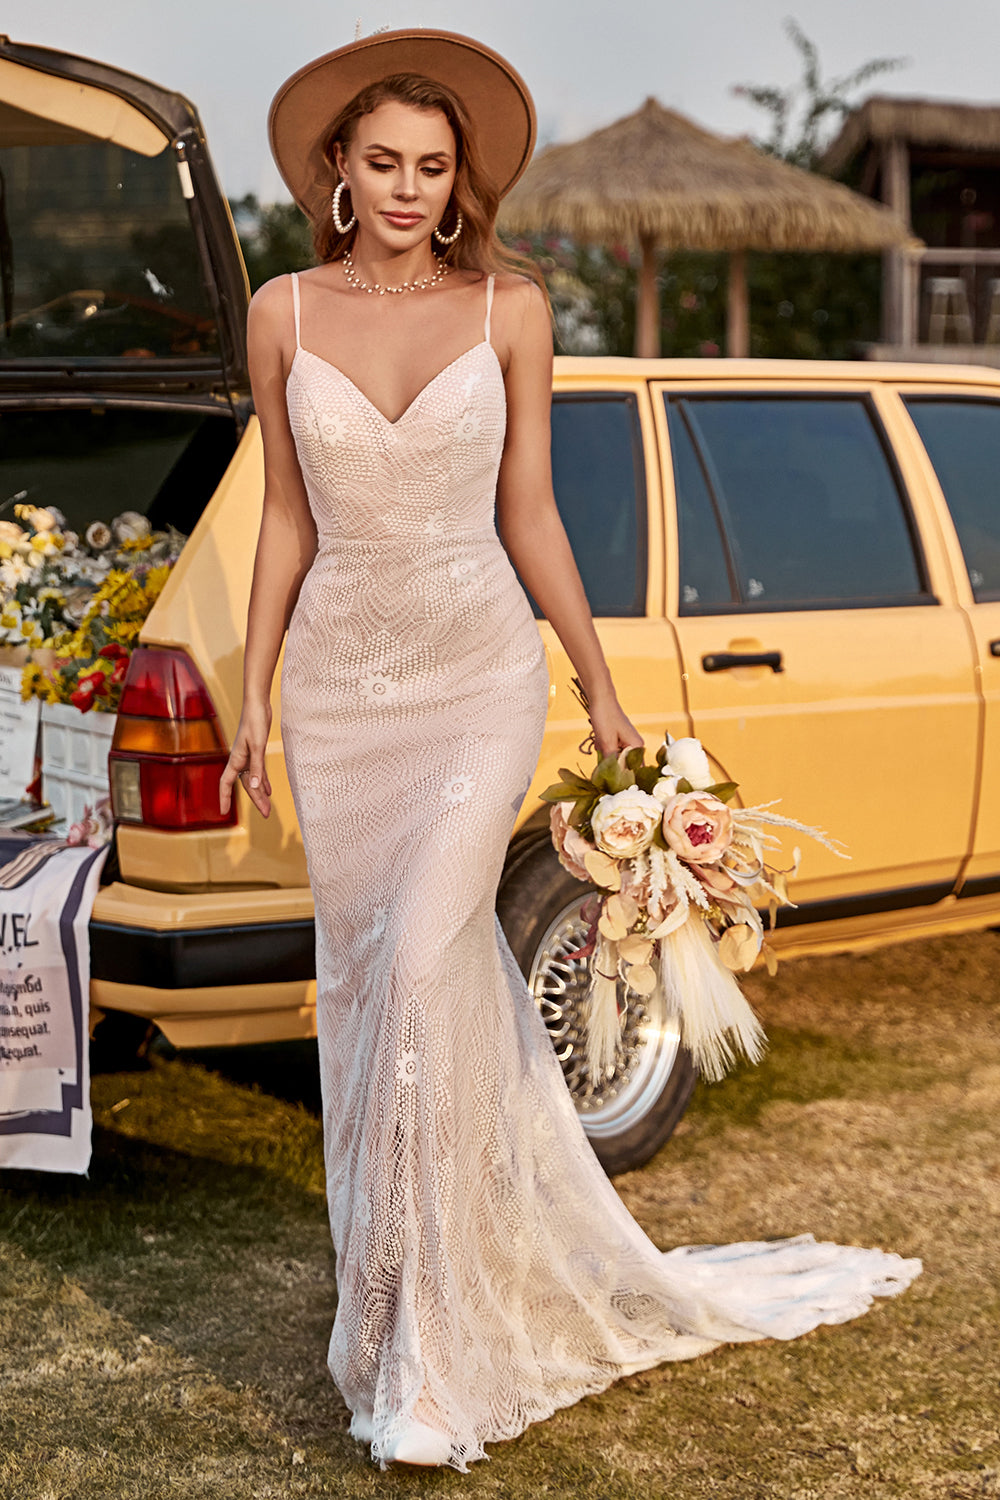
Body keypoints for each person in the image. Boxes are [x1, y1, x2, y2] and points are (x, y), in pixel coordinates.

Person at [219, 28, 921, 1474]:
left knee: (425, 957)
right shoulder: (281, 312)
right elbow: (286, 517)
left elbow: (531, 511)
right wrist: (249, 693)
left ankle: (432, 1361)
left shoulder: (513, 309)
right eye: (384, 163)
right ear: (337, 174)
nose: (410, 187)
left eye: (433, 166)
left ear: (456, 177)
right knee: (370, 997)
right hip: (341, 690)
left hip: (480, 669)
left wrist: (596, 683)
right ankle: (400, 1297)